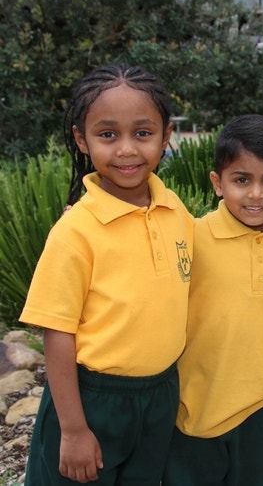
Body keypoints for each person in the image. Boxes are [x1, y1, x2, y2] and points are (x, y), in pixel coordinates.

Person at [19, 64, 194, 484]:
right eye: (108, 134)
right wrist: (74, 429)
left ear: (167, 135)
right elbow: (57, 332)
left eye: (143, 133)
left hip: (158, 394)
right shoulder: (76, 230)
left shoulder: (177, 213)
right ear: (82, 138)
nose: (127, 150)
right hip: (92, 399)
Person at [162, 114, 263, 485]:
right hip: (193, 407)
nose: (256, 194)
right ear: (218, 183)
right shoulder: (190, 237)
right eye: (242, 180)